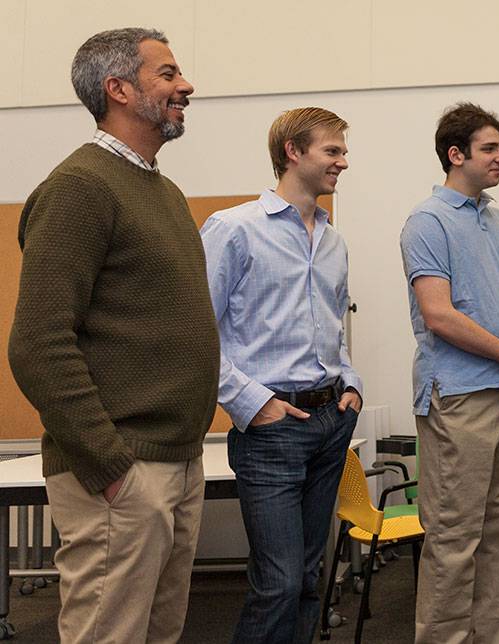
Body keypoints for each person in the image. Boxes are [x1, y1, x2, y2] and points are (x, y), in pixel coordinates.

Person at [8, 27, 217, 643]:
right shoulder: (80, 188)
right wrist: (109, 461)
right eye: (168, 74)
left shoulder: (164, 192)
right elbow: (38, 343)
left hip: (175, 463)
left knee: (156, 633)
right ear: (119, 89)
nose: (186, 86)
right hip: (123, 471)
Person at [199, 107, 363, 643]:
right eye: (332, 151)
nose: (343, 161)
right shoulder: (234, 229)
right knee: (278, 583)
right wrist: (252, 403)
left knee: (311, 580)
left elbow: (332, 329)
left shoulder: (333, 241)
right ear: (293, 152)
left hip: (330, 421)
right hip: (272, 429)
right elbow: (198, 332)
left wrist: (351, 384)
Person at [399, 102, 499, 644]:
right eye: (489, 148)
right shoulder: (427, 222)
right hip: (458, 398)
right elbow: (439, 316)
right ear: (455, 155)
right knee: (455, 537)